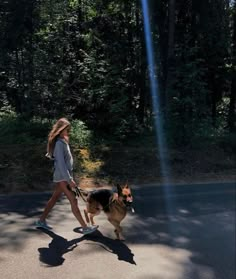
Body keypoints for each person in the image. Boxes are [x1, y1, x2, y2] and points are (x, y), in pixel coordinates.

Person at [35, 117, 98, 235]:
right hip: (62, 176)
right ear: (61, 129)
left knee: (54, 198)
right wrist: (69, 180)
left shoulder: (63, 141)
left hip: (63, 175)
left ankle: (41, 221)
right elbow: (61, 164)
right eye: (67, 129)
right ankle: (85, 227)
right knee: (73, 200)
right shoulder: (59, 143)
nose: (69, 131)